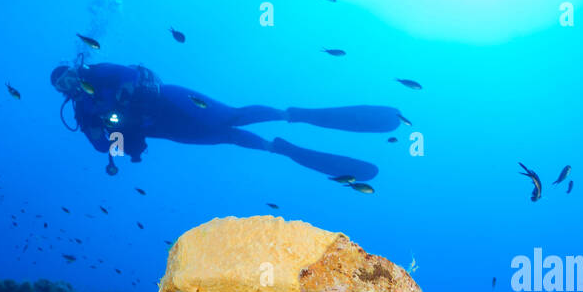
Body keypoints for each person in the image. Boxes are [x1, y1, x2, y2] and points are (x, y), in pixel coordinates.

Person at [50, 62, 403, 180]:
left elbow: (131, 72)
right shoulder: (82, 114)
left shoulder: (96, 72)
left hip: (172, 99)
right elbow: (109, 148)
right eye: (61, 85)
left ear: (74, 68)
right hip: (165, 129)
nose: (68, 84)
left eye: (67, 75)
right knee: (230, 137)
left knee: (231, 116)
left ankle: (292, 115)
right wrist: (105, 131)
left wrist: (124, 97)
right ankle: (280, 148)